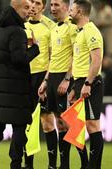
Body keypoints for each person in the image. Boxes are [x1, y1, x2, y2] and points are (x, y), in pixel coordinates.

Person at [0, 0, 40, 168]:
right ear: (15, 9)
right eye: (25, 8)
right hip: (15, 89)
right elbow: (19, 60)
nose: (28, 12)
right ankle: (15, 164)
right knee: (19, 129)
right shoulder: (17, 32)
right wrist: (35, 48)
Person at [38, 0, 88, 168]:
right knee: (59, 123)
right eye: (51, 5)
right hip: (52, 78)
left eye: (56, 5)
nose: (52, 8)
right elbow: (53, 58)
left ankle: (85, 162)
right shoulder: (54, 29)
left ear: (67, 7)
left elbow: (77, 54)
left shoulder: (71, 27)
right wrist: (46, 81)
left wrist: (67, 79)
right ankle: (63, 165)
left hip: (64, 79)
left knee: (71, 124)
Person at [68, 0, 104, 168]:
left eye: (72, 9)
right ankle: (86, 164)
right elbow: (80, 61)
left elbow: (96, 60)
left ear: (80, 12)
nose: (69, 12)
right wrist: (75, 85)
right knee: (77, 126)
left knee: (92, 125)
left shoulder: (91, 31)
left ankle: (93, 166)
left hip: (90, 82)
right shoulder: (79, 31)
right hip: (79, 82)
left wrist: (88, 83)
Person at [22, 0, 56, 169]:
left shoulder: (50, 27)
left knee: (47, 122)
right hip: (25, 78)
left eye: (37, 3)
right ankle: (28, 164)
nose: (33, 6)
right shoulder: (22, 25)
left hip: (43, 78)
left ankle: (51, 165)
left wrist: (46, 80)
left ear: (43, 6)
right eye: (31, 2)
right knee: (26, 123)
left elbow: (53, 57)